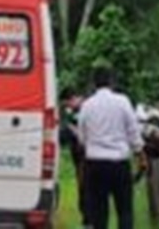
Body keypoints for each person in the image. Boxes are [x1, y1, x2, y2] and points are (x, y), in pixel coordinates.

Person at [78, 67, 147, 229]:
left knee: (99, 212)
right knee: (125, 210)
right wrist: (141, 156)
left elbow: (82, 137)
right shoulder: (123, 102)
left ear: (93, 84)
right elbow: (133, 132)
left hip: (95, 164)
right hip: (119, 163)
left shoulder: (87, 105)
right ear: (112, 82)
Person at [60, 89, 89, 226]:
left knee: (86, 189)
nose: (68, 108)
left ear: (73, 98)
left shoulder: (87, 109)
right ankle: (86, 218)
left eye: (67, 104)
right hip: (79, 158)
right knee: (82, 188)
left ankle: (88, 219)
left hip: (87, 157)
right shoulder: (75, 112)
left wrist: (73, 130)